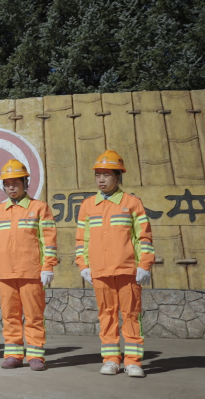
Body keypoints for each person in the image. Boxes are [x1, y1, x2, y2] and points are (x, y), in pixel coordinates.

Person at [75, 150, 155, 378]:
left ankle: (133, 362)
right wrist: (83, 265)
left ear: (118, 176)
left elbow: (143, 237)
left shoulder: (132, 203)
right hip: (100, 271)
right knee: (107, 316)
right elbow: (82, 239)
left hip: (127, 270)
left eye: (106, 175)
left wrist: (144, 265)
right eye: (97, 175)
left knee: (131, 315)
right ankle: (111, 360)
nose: (101, 179)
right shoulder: (88, 205)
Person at [0, 160, 57, 371]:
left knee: (34, 315)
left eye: (15, 183)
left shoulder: (39, 208)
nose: (11, 188)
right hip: (5, 273)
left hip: (31, 272)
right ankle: (13, 354)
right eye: (7, 184)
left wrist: (48, 266)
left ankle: (35, 356)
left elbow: (49, 241)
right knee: (10, 316)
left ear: (26, 183)